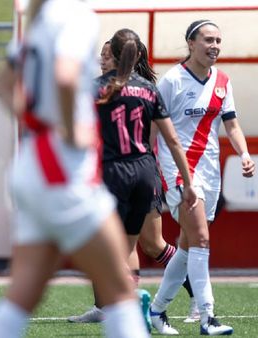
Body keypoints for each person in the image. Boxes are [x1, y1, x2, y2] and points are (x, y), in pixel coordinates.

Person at [0, 2, 150, 337]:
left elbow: (2, 83)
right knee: (119, 287)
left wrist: (37, 123)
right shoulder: (75, 16)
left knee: (23, 293)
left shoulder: (40, 22)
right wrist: (70, 132)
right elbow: (66, 76)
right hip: (62, 172)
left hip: (33, 164)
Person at [68, 38, 200, 325]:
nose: (101, 59)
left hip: (120, 172)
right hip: (142, 172)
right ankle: (104, 307)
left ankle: (197, 298)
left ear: (121, 56)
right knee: (110, 242)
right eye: (100, 55)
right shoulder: (144, 87)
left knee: (151, 245)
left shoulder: (104, 88)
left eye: (106, 55)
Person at [150, 19, 255, 336]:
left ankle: (155, 311)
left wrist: (245, 153)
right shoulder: (171, 81)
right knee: (201, 239)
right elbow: (153, 131)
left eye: (219, 41)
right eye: (208, 40)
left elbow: (232, 125)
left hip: (210, 171)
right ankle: (208, 316)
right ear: (191, 43)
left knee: (186, 246)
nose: (215, 46)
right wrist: (153, 168)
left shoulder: (223, 81)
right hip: (178, 172)